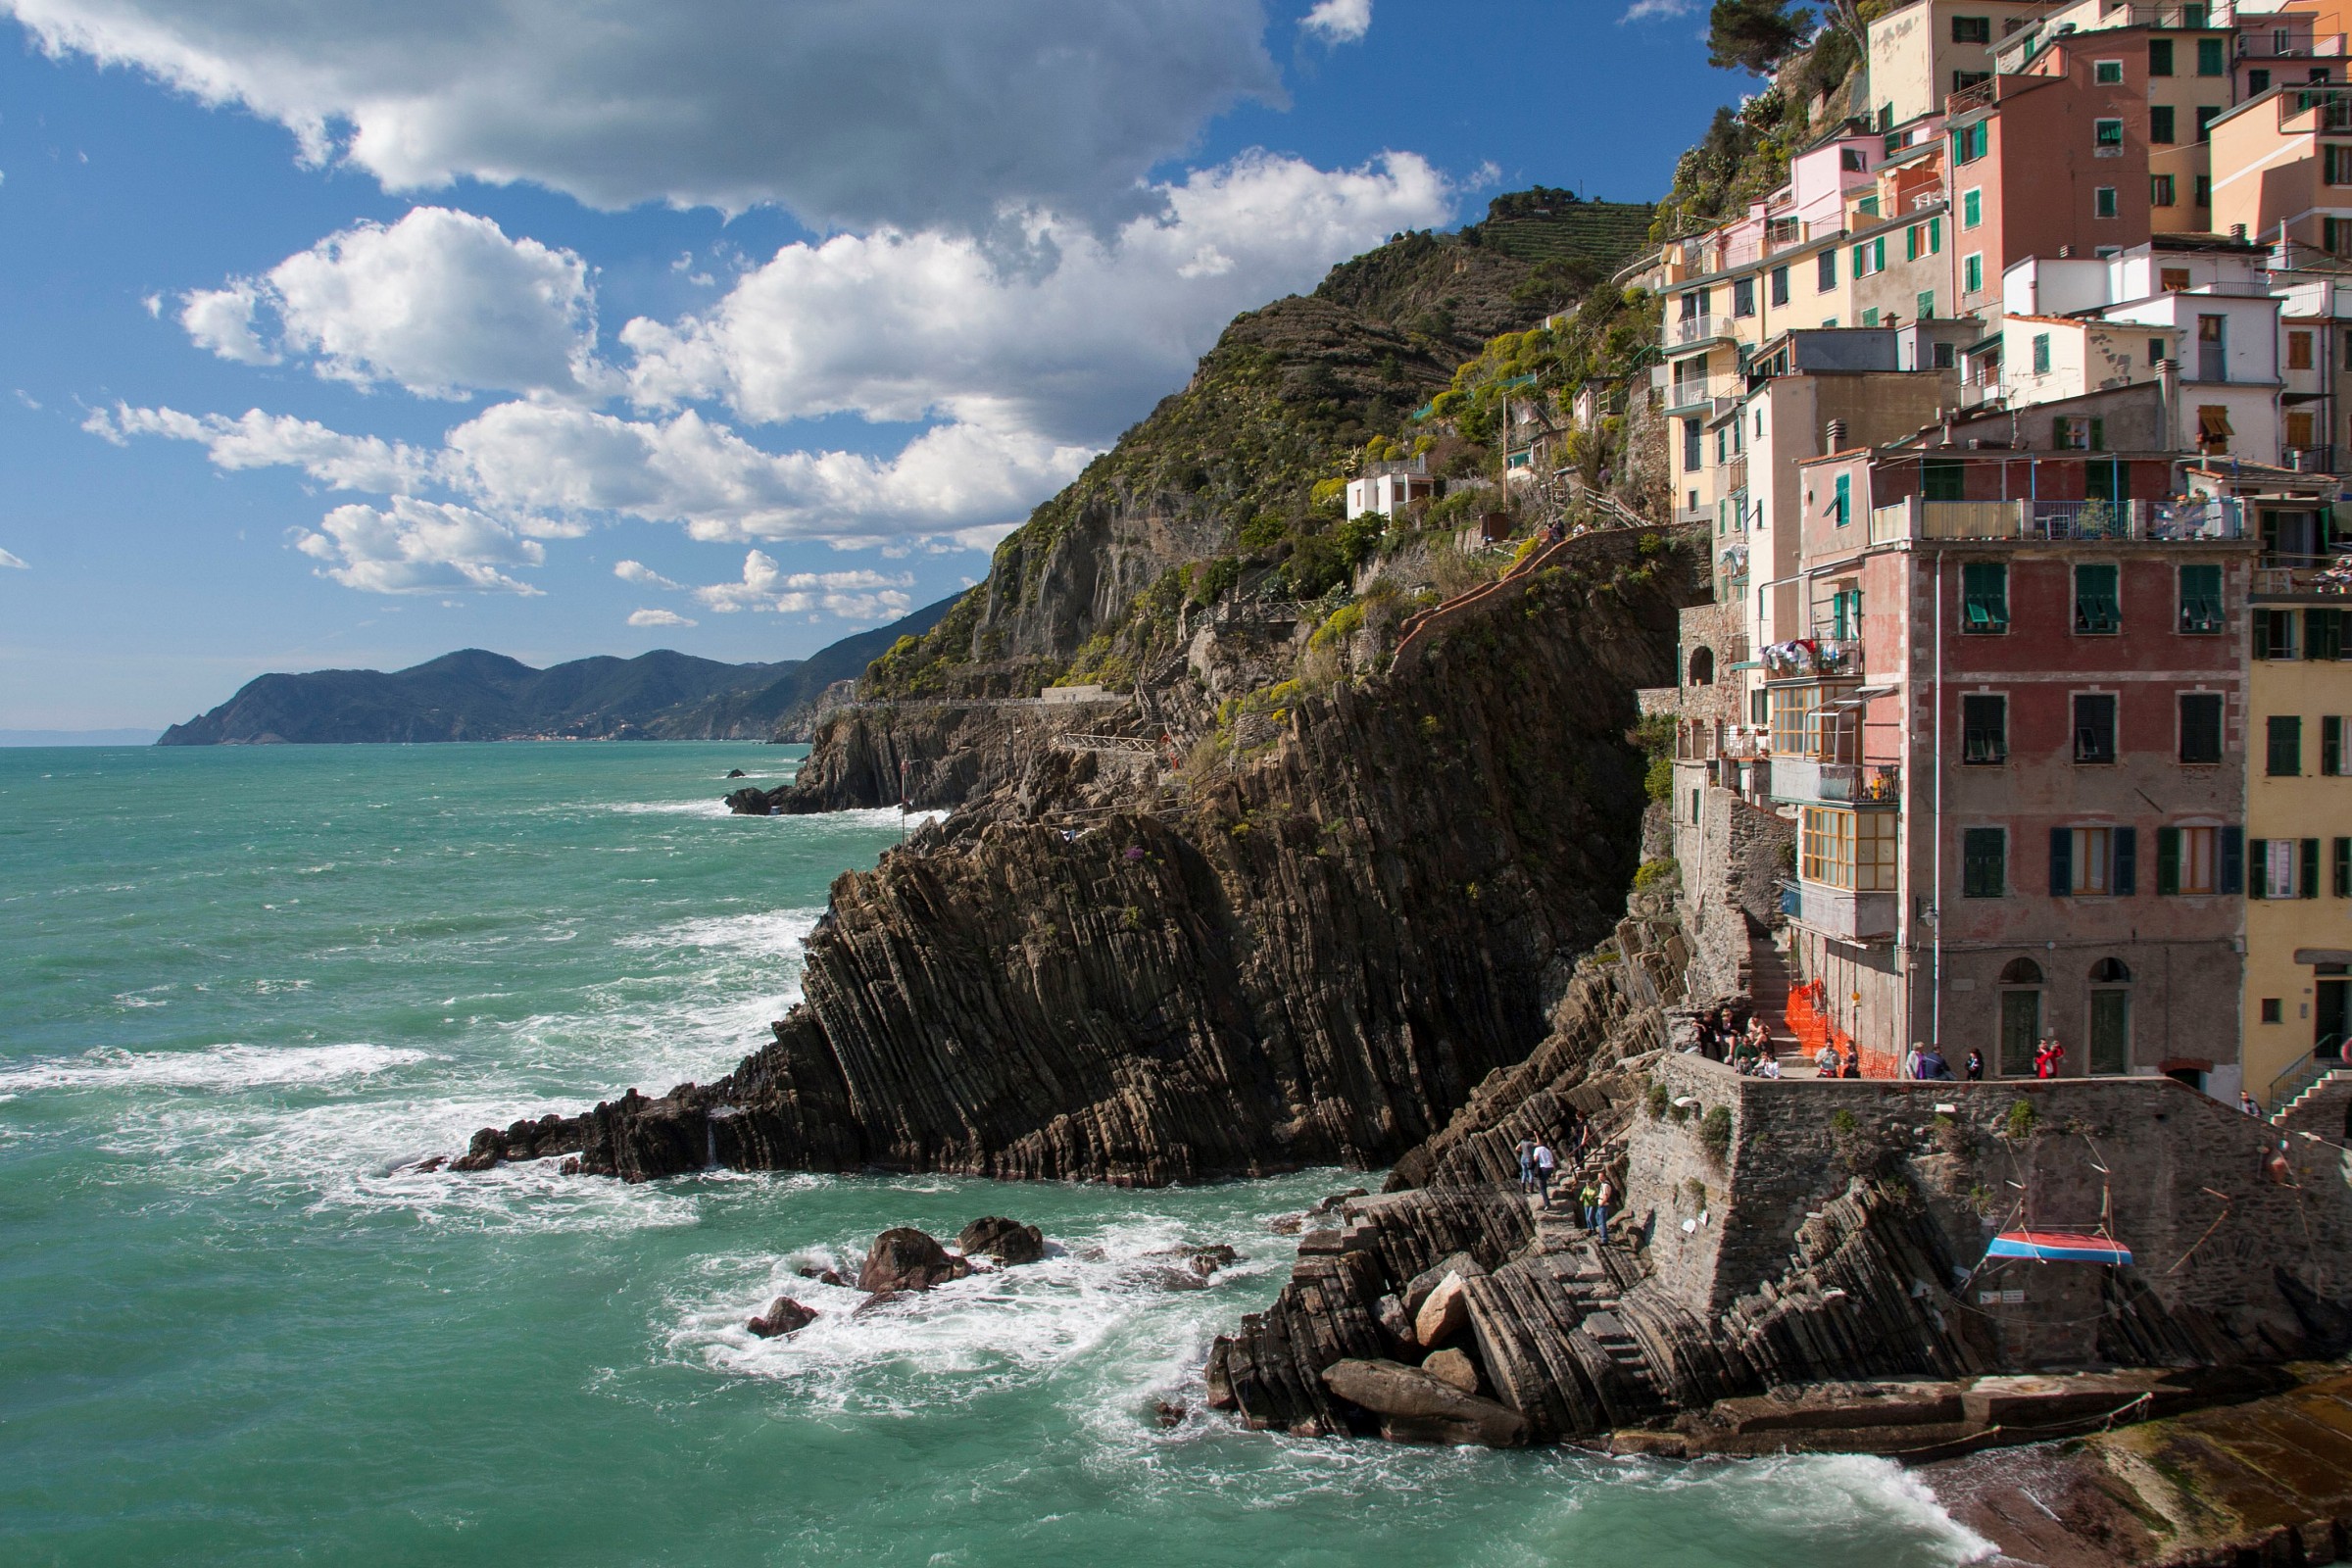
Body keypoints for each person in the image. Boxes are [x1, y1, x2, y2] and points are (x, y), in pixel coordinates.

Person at [1532, 1141, 1556, 1206]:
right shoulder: (1548, 1150)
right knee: (1544, 1181)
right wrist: (1553, 1172)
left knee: (1542, 1187)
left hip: (1543, 1168)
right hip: (1550, 1168)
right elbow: (1552, 1161)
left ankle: (1547, 1203)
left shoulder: (1537, 1149)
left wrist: (1532, 1164)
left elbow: (1536, 1159)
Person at [1592, 1176, 1614, 1242]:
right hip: (1601, 1205)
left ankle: (1604, 1238)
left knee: (1602, 1221)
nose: (1599, 1179)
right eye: (1598, 1177)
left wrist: (1602, 1203)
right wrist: (1598, 1196)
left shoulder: (1606, 1185)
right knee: (1597, 1218)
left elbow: (1606, 1196)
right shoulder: (1603, 1184)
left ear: (1604, 1177)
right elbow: (1603, 1195)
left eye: (1601, 1177)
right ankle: (1602, 1233)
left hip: (1603, 1205)